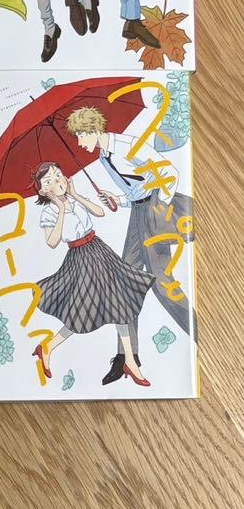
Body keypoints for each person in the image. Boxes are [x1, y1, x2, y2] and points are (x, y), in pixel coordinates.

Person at [66, 105, 196, 384]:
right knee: (123, 284)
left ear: (92, 129)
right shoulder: (103, 157)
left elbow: (169, 172)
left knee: (162, 283)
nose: (79, 143)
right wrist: (118, 199)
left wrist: (159, 207)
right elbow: (136, 189)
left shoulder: (128, 146)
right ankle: (127, 357)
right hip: (137, 212)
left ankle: (201, 335)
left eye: (80, 136)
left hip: (153, 213)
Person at [30, 161, 154, 385]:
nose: (58, 181)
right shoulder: (49, 212)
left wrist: (75, 195)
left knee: (119, 302)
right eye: (50, 181)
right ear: (43, 190)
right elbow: (52, 242)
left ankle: (129, 360)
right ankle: (48, 346)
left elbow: (100, 212)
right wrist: (60, 210)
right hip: (80, 259)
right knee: (81, 311)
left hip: (99, 250)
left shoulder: (75, 200)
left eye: (59, 175)